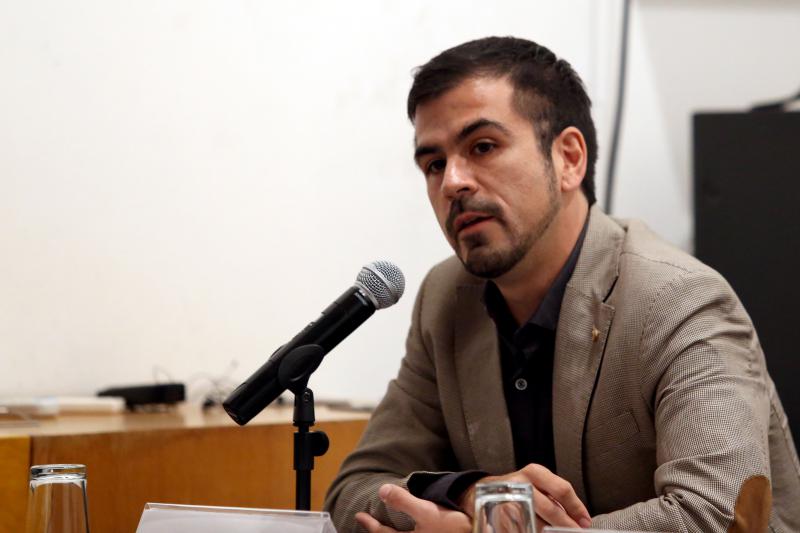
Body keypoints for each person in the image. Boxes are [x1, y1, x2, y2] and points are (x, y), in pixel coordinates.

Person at [323, 36, 800, 532]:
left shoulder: (679, 300)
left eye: (483, 147)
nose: (453, 182)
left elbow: (717, 516)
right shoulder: (445, 299)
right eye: (434, 164)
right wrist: (464, 493)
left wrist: (497, 528)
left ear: (569, 158)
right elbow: (355, 488)